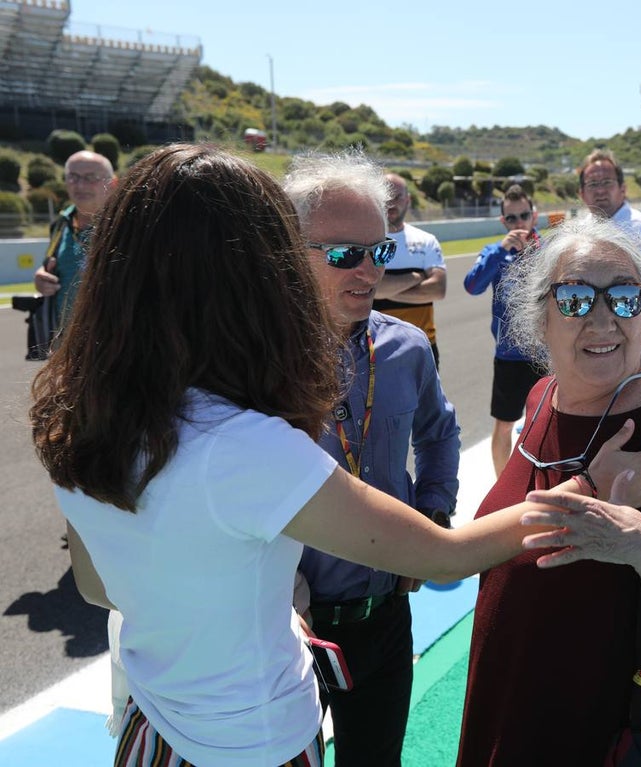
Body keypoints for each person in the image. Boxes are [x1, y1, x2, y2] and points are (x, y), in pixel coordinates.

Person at [27, 144, 568, 767]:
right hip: (258, 741)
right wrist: (584, 491)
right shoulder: (242, 441)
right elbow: (444, 557)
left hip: (154, 732)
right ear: (240, 272)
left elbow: (100, 588)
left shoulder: (79, 416)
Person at [456, 214, 641, 766]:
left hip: (606, 728)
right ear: (541, 319)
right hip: (511, 697)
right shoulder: (541, 397)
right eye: (576, 299)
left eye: (625, 298)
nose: (604, 319)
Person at [282, 152, 460, 767]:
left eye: (379, 252)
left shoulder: (407, 347)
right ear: (286, 250)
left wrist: (433, 518)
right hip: (287, 627)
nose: (367, 271)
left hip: (386, 616)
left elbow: (440, 435)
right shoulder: (252, 366)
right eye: (343, 255)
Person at [463, 183, 545, 477]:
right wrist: (500, 251)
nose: (519, 223)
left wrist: (533, 254)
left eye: (523, 215)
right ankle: (504, 488)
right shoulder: (494, 253)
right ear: (503, 222)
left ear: (534, 215)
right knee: (504, 423)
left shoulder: (548, 251)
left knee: (547, 422)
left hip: (546, 354)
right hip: (509, 356)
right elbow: (472, 286)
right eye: (511, 218)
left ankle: (543, 480)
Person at [30, 150, 115, 354]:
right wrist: (41, 276)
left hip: (112, 349)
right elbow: (52, 265)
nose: (80, 185)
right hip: (64, 350)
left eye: (90, 177)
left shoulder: (127, 227)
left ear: (112, 183)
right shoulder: (60, 225)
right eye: (73, 177)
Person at [371, 173, 447, 366]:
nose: (391, 203)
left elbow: (438, 290)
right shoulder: (368, 241)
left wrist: (385, 291)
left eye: (397, 197)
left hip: (423, 346)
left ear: (408, 200)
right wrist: (416, 277)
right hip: (376, 347)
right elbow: (373, 289)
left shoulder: (426, 240)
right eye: (386, 197)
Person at [577, 148, 641, 255]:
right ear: (582, 194)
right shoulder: (580, 230)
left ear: (623, 189)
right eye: (592, 184)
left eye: (607, 182)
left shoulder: (638, 227)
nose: (600, 190)